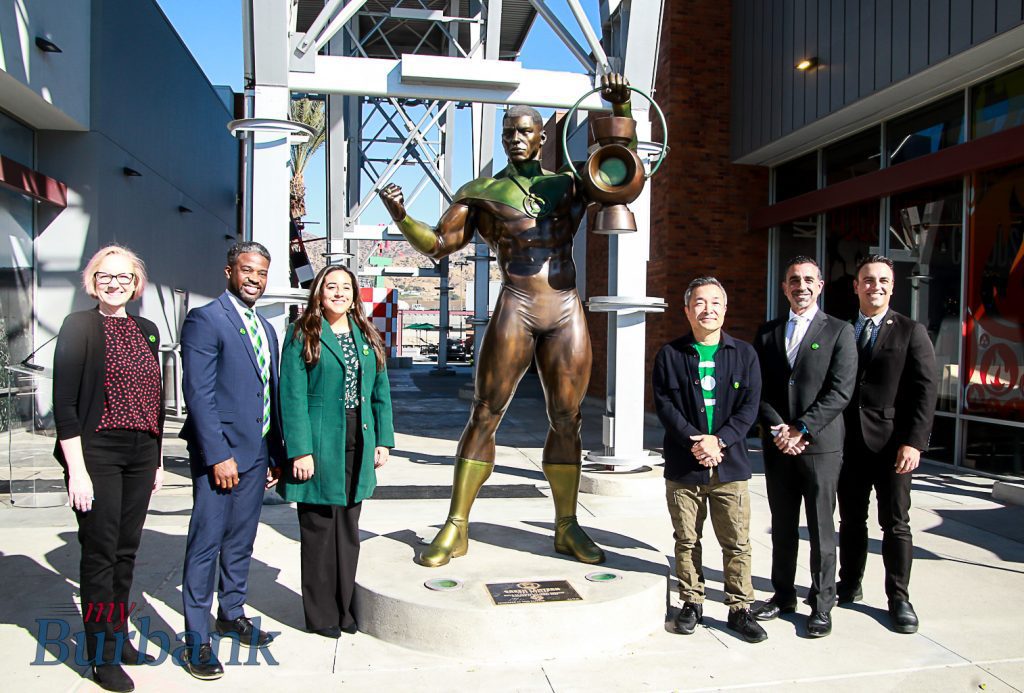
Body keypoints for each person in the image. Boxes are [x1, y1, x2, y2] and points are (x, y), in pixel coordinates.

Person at [378, 73, 633, 568]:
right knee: (485, 412)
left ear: (542, 136)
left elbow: (623, 174)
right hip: (516, 302)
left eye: (524, 131)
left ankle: (566, 525)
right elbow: (438, 244)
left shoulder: (569, 183)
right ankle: (456, 525)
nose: (515, 138)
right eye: (508, 132)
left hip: (564, 307)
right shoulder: (482, 191)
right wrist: (402, 217)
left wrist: (620, 106)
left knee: (568, 418)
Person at [53, 245, 164, 692]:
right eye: (106, 276)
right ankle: (102, 655)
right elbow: (64, 405)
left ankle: (119, 636)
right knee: (100, 554)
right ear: (92, 281)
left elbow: (154, 399)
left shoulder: (147, 330)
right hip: (97, 451)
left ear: (136, 283)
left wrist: (157, 460)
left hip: (141, 453)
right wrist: (77, 471)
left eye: (123, 277)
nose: (114, 284)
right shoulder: (78, 326)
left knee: (126, 551)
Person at [179, 242, 284, 680]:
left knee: (241, 540)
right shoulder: (205, 319)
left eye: (261, 272)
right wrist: (218, 455)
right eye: (247, 270)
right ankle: (197, 639)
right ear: (229, 272)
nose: (254, 279)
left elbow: (268, 393)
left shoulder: (267, 328)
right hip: (220, 456)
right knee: (207, 544)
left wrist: (274, 452)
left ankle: (232, 612)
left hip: (257, 454)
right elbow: (198, 394)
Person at [277, 265, 394, 639]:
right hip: (319, 441)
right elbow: (291, 396)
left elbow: (379, 390)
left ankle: (344, 609)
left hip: (357, 439)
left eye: (346, 287)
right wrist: (300, 450)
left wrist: (383, 439)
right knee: (319, 529)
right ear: (319, 292)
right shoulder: (302, 333)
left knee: (348, 530)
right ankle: (321, 614)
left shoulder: (366, 334)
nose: (339, 293)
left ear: (354, 294)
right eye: (331, 286)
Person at [652, 277, 766, 643]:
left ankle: (740, 608)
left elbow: (749, 407)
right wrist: (696, 442)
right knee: (687, 540)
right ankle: (692, 602)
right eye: (700, 302)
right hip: (684, 466)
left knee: (737, 542)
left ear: (725, 309)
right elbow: (665, 406)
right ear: (687, 310)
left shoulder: (744, 354)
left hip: (730, 466)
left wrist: (720, 441)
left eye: (715, 302)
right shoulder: (670, 355)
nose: (708, 309)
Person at [752, 256, 856, 638]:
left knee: (821, 529)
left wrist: (802, 428)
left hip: (819, 447)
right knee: (782, 527)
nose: (801, 286)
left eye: (809, 279)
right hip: (779, 445)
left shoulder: (840, 331)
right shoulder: (767, 333)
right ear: (784, 287)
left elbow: (840, 391)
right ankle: (782, 596)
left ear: (820, 285)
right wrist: (780, 428)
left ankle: (822, 604)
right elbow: (757, 388)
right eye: (794, 280)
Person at [837, 254, 937, 633]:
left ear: (892, 287)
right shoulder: (842, 329)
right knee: (851, 520)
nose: (874, 286)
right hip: (849, 445)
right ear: (856, 286)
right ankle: (849, 584)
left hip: (894, 448)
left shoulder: (911, 331)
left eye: (882, 280)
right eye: (867, 280)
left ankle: (899, 598)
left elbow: (925, 390)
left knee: (895, 523)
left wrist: (914, 442)